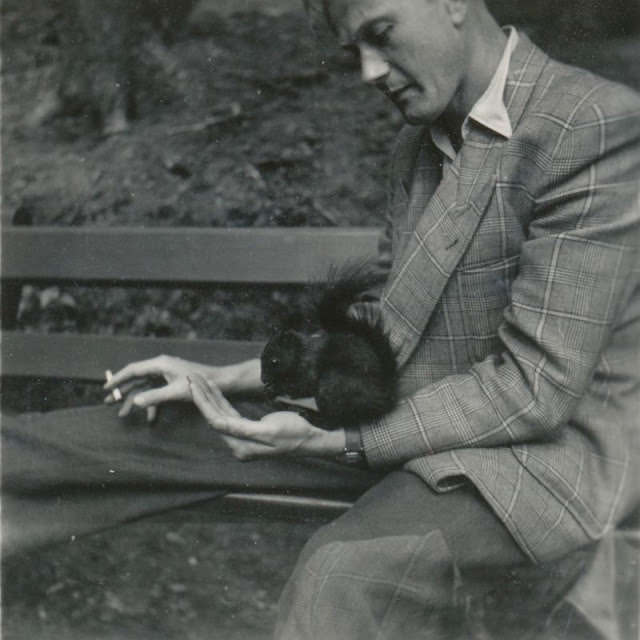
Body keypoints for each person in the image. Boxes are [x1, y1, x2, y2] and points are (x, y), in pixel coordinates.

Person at [3, 0, 640, 637]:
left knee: (341, 579)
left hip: (544, 460)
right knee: (101, 441)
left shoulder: (589, 125)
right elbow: (392, 326)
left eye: (381, 35)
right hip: (409, 418)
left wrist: (334, 440)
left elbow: (536, 388)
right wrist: (219, 379)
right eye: (351, 51)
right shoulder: (419, 146)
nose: (367, 71)